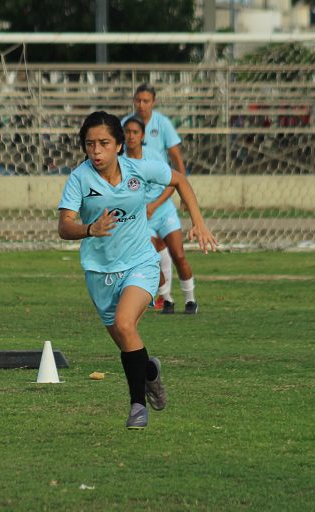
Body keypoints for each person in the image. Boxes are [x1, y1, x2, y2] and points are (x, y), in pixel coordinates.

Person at [58, 111, 217, 430]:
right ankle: (150, 374)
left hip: (141, 264)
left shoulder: (139, 169)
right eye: (90, 145)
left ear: (118, 145)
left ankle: (136, 407)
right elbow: (64, 226)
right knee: (126, 340)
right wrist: (89, 229)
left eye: (104, 143)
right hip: (99, 272)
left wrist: (197, 221)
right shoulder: (79, 178)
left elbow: (179, 180)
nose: (96, 151)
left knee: (124, 323)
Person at [122, 83, 190, 314]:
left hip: (161, 196)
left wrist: (183, 190)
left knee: (176, 253)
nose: (141, 104)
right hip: (141, 207)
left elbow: (176, 160)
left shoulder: (162, 126)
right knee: (154, 253)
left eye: (146, 100)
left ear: (153, 102)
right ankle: (166, 298)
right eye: (138, 100)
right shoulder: (125, 127)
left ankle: (189, 299)